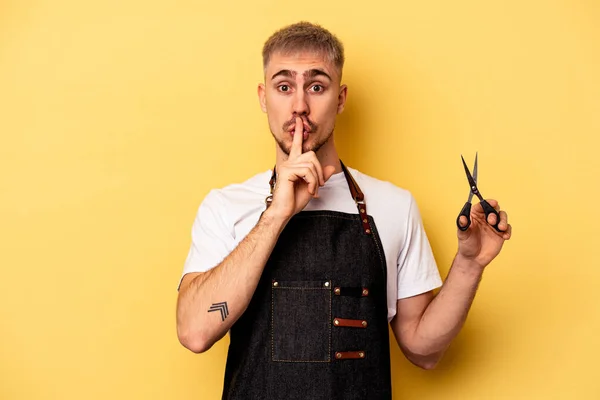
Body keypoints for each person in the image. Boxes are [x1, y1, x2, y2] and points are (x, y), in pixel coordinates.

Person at [175, 21, 512, 400]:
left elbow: (423, 350)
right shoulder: (226, 206)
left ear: (340, 98)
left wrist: (469, 264)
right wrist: (275, 215)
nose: (299, 106)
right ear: (262, 97)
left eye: (316, 86)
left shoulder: (393, 205)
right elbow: (194, 332)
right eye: (283, 87)